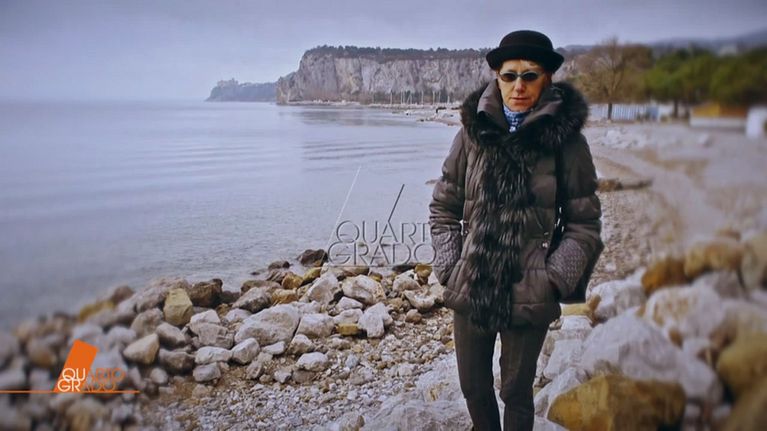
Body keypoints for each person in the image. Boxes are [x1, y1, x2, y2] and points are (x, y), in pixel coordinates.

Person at [428, 30, 604, 430]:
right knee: (473, 387)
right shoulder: (472, 134)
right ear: (497, 77)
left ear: (547, 79)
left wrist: (553, 278)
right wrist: (450, 266)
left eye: (530, 75)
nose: (518, 86)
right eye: (510, 76)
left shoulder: (567, 143)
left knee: (516, 392)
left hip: (531, 287)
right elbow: (443, 206)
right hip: (472, 281)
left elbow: (584, 223)